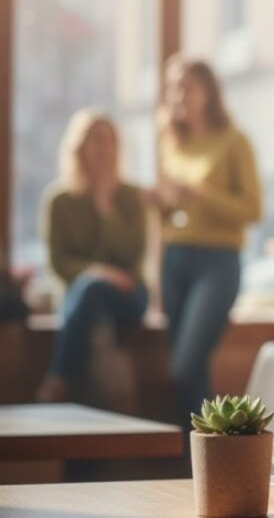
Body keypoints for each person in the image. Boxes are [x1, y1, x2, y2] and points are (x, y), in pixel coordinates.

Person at [148, 56, 262, 422]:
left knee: (186, 363)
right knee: (187, 373)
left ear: (208, 92)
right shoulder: (170, 141)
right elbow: (171, 214)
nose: (178, 95)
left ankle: (211, 454)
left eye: (187, 86)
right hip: (176, 259)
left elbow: (253, 209)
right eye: (172, 87)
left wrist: (200, 194)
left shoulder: (233, 141)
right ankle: (196, 467)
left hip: (218, 262)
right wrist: (161, 203)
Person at [36, 110, 148, 402]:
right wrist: (98, 271)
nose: (103, 148)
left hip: (129, 293)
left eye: (109, 140)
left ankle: (58, 379)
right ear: (80, 147)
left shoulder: (131, 196)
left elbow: (133, 255)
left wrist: (105, 208)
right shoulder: (59, 200)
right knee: (91, 300)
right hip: (82, 295)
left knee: (90, 295)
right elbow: (58, 263)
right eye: (95, 140)